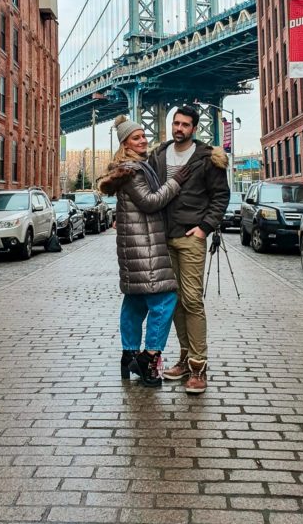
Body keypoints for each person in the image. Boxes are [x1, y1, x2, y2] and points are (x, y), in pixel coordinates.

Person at [98, 114, 190, 387]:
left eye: (143, 136)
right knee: (165, 300)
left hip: (135, 245)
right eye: (136, 137)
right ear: (125, 143)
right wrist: (176, 183)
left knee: (136, 301)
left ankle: (129, 356)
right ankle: (149, 360)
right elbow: (150, 202)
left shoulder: (135, 167)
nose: (143, 140)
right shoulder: (133, 171)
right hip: (144, 246)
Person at [148, 105, 229, 394]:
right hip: (163, 237)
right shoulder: (158, 154)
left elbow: (221, 196)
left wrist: (204, 228)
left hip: (190, 237)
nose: (178, 128)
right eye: (175, 123)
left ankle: (198, 366)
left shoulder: (207, 158)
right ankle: (183, 357)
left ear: (194, 128)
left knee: (192, 299)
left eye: (185, 124)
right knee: (175, 301)